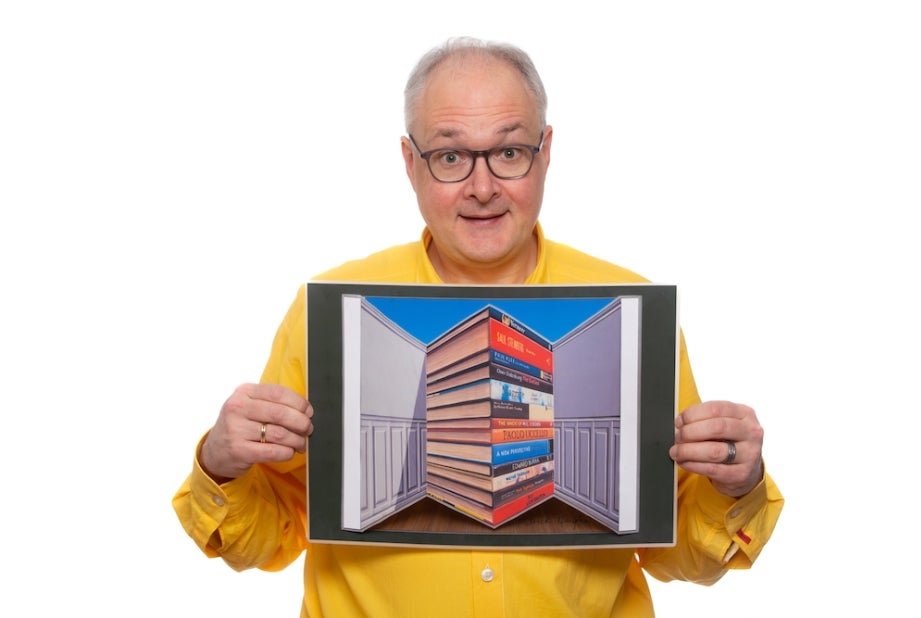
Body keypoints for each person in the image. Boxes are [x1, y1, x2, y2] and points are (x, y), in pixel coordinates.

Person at [173, 36, 784, 617]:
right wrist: (221, 463)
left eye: (509, 152)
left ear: (546, 153)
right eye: (451, 156)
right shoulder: (327, 311)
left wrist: (737, 486)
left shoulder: (630, 314)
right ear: (410, 163)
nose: (483, 187)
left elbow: (675, 550)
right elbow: (270, 536)